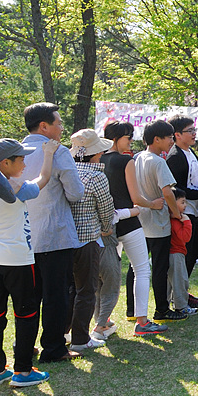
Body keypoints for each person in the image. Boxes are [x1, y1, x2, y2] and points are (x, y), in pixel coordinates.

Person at [19, 103, 85, 363]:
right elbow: (76, 193)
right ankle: (54, 348)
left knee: (27, 297)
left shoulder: (14, 151)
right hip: (54, 235)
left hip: (22, 238)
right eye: (59, 123)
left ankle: (24, 345)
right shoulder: (58, 152)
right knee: (55, 296)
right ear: (44, 126)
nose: (62, 128)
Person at [0, 137, 58, 387]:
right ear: (5, 163)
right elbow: (43, 179)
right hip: (19, 260)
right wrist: (48, 155)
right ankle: (23, 371)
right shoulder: (16, 187)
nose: (24, 164)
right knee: (26, 314)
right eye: (20, 159)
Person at [101, 121, 165, 336]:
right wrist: (152, 204)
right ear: (116, 138)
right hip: (128, 220)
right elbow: (136, 197)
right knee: (142, 270)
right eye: (128, 137)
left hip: (106, 224)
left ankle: (104, 320)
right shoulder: (126, 161)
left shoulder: (98, 158)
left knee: (107, 275)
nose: (131, 141)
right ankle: (142, 322)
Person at [134, 120, 187, 322]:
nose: (172, 141)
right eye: (169, 137)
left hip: (141, 220)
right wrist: (176, 213)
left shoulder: (139, 157)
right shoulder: (158, 161)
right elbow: (168, 192)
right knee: (160, 268)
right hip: (158, 224)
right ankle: (162, 310)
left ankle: (132, 310)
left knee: (136, 268)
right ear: (157, 139)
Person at [69, 129, 116, 351]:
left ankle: (65, 331)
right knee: (86, 290)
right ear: (96, 153)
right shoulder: (97, 176)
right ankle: (80, 338)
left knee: (69, 290)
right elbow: (106, 208)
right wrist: (106, 229)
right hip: (88, 238)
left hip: (65, 239)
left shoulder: (68, 171)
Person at [166, 116, 198, 307]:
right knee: (185, 253)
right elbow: (176, 189)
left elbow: (192, 181)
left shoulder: (190, 152)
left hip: (193, 211)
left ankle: (182, 292)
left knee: (193, 252)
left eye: (194, 130)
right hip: (182, 213)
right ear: (177, 135)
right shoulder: (175, 157)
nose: (194, 133)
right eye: (190, 131)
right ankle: (178, 295)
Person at [168, 188, 197, 317]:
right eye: (182, 202)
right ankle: (181, 307)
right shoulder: (177, 220)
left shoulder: (171, 218)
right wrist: (187, 221)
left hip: (173, 253)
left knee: (171, 281)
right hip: (176, 253)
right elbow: (185, 237)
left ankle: (170, 304)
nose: (185, 205)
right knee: (180, 281)